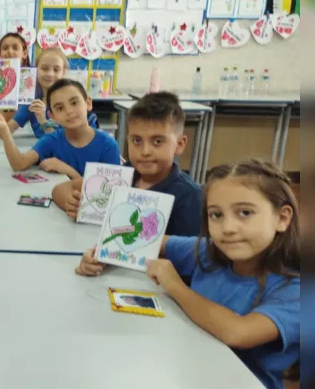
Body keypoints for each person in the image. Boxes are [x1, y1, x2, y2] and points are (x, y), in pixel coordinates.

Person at [76, 158, 299, 389]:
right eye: (216, 215)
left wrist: (175, 286)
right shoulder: (210, 252)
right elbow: (150, 240)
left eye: (245, 212)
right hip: (181, 371)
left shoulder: (297, 292)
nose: (228, 228)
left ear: (282, 218)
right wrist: (104, 253)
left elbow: (238, 332)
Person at [52, 92, 202, 236]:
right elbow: (60, 189)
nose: (145, 151)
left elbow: (192, 252)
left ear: (180, 144)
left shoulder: (190, 196)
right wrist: (70, 202)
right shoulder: (124, 175)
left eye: (157, 141)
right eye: (137, 140)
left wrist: (141, 234)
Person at [0, 78, 119, 179]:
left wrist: (68, 171)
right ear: (52, 116)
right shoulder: (52, 140)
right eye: (60, 108)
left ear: (88, 103)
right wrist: (5, 130)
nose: (69, 111)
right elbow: (20, 163)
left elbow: (108, 196)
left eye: (74, 103)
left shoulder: (108, 145)